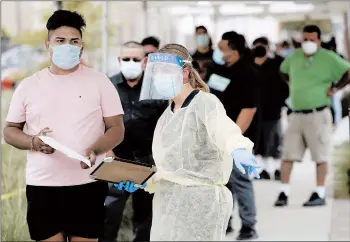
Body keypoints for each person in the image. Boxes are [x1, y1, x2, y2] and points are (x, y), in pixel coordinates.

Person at [114, 43, 260, 241]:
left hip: (201, 208)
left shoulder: (205, 103)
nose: (159, 79)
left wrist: (239, 148)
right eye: (155, 74)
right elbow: (171, 171)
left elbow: (224, 130)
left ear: (184, 73)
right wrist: (142, 182)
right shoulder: (166, 116)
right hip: (167, 208)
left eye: (165, 72)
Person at [3, 10, 125, 242]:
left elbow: (117, 128)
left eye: (74, 41)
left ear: (81, 45)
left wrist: (95, 150)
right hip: (42, 186)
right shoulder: (29, 86)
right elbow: (9, 130)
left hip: (88, 183)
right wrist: (33, 142)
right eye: (60, 41)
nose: (67, 46)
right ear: (47, 44)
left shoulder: (100, 81)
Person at [274, 25, 350, 207]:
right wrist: (290, 83)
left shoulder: (328, 58)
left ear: (319, 40)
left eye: (311, 39)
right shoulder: (294, 56)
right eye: (305, 39)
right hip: (295, 114)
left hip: (318, 113)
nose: (307, 43)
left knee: (320, 155)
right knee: (287, 155)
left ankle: (320, 193)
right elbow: (282, 70)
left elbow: (348, 72)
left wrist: (335, 88)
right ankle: (284, 192)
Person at [102, 41, 168, 242]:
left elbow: (168, 125)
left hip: (148, 163)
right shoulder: (106, 87)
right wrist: (108, 152)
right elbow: (95, 122)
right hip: (115, 161)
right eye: (126, 59)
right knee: (108, 217)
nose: (131, 62)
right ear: (119, 61)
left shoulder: (159, 89)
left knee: (146, 220)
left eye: (136, 59)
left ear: (145, 61)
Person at [205, 32, 259, 240]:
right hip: (215, 134)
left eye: (222, 48)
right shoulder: (219, 70)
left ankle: (249, 225)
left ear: (234, 51)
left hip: (236, 136)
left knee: (240, 179)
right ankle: (225, 221)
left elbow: (249, 109)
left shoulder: (248, 73)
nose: (218, 52)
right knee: (221, 181)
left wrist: (233, 138)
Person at [252, 37, 289, 180]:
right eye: (257, 47)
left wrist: (283, 102)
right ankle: (263, 169)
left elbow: (285, 84)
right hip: (255, 110)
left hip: (273, 109)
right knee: (259, 141)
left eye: (263, 47)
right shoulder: (250, 64)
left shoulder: (278, 63)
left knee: (275, 139)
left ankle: (278, 168)